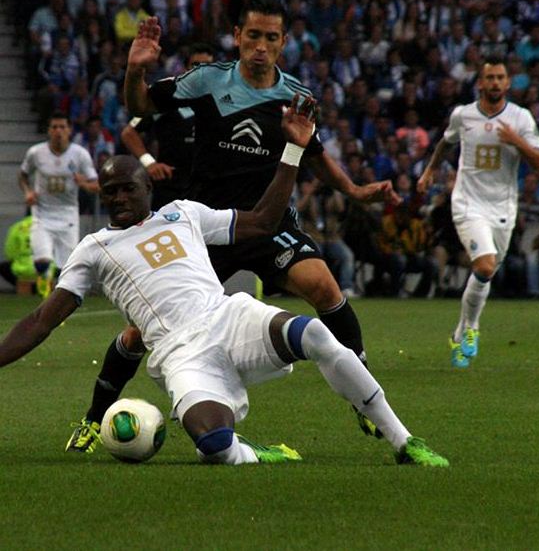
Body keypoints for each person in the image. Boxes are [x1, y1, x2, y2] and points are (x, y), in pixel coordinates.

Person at [0, 101, 448, 469]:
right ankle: (254, 453)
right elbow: (41, 320)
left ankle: (403, 441)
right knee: (214, 446)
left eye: (126, 188)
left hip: (227, 317)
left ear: (146, 189)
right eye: (109, 191)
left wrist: (293, 152)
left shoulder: (183, 212)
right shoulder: (93, 248)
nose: (117, 197)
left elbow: (263, 221)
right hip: (180, 353)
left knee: (313, 333)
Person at [67, 0, 398, 452]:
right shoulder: (207, 80)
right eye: (253, 36)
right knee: (140, 333)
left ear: (283, 43)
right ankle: (92, 417)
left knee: (323, 285)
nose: (260, 46)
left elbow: (315, 156)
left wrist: (356, 191)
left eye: (271, 38)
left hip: (267, 223)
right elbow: (139, 104)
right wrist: (134, 70)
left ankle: (363, 394)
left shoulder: (296, 96)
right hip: (208, 228)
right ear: (238, 37)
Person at [417, 57, 539, 367]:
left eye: (501, 78)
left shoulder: (521, 118)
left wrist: (516, 141)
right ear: (480, 83)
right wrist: (430, 171)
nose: (495, 83)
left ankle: (460, 331)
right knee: (485, 267)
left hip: (503, 207)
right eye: (490, 78)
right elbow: (445, 144)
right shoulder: (463, 115)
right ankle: (473, 328)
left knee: (485, 274)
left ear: (508, 83)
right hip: (468, 203)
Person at [120, 43, 215, 209]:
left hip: (207, 191)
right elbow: (129, 133)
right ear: (186, 69)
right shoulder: (168, 99)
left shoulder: (223, 104)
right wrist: (149, 162)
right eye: (196, 65)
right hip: (170, 190)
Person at [18, 112, 99, 298]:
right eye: (54, 127)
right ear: (49, 130)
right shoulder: (36, 153)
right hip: (42, 213)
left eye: (62, 127)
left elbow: (97, 185)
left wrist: (84, 184)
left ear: (69, 130)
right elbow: (22, 175)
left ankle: (56, 301)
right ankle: (43, 280)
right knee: (42, 261)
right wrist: (28, 192)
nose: (58, 131)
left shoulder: (80, 154)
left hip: (68, 214)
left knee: (65, 268)